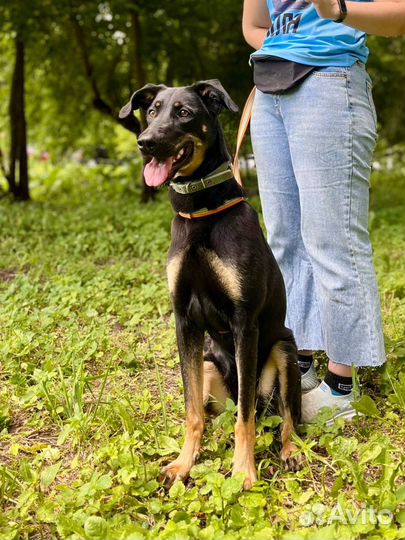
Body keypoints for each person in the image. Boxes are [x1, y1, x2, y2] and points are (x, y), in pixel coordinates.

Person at [242, 0, 405, 422]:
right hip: (269, 89)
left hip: (330, 84)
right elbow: (255, 25)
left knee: (332, 238)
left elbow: (400, 18)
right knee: (284, 238)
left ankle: (342, 383)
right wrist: (289, 47)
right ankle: (301, 360)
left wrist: (336, 10)